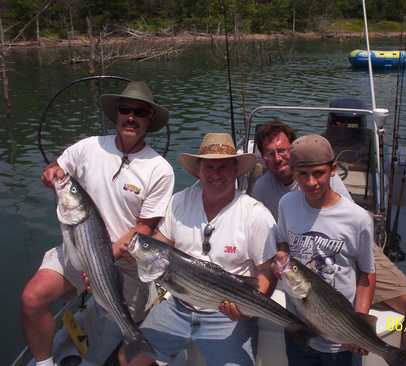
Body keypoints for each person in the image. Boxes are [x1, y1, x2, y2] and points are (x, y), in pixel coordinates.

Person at [21, 81, 175, 366]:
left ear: (149, 119)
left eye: (139, 112)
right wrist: (52, 174)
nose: (131, 117)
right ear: (116, 114)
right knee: (32, 299)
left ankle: (134, 337)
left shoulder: (159, 169)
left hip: (126, 262)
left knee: (128, 332)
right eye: (125, 110)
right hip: (76, 247)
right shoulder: (88, 147)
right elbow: (57, 169)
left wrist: (101, 262)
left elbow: (144, 229)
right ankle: (43, 363)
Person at [252, 119, 406, 358]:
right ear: (262, 158)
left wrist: (358, 318)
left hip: (346, 247)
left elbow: (349, 231)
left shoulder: (330, 186)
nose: (278, 158)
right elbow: (275, 237)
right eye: (270, 153)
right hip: (301, 257)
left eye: (282, 150)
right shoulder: (264, 190)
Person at [119, 132, 278, 366]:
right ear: (199, 171)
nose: (215, 175)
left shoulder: (256, 214)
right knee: (129, 357)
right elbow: (162, 245)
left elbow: (267, 272)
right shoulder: (179, 202)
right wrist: (136, 255)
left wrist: (246, 310)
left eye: (223, 167)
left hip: (227, 315)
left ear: (236, 170)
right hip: (178, 305)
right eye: (209, 168)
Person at [274, 134, 375, 365]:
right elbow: (283, 242)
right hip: (299, 333)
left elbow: (367, 274)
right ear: (293, 172)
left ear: (333, 169)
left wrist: (358, 328)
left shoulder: (357, 218)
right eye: (303, 174)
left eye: (318, 173)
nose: (311, 182)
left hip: (341, 342)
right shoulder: (286, 205)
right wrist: (281, 254)